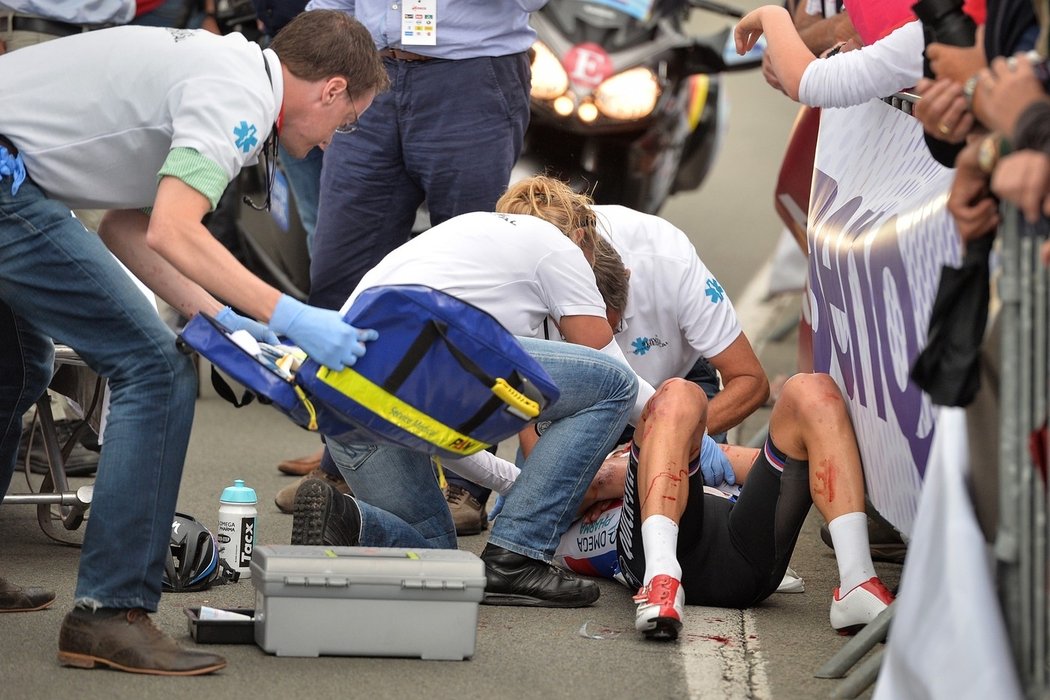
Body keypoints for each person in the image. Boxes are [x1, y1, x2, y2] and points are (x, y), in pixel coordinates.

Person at [0, 10, 386, 674]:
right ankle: (109, 613)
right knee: (155, 367)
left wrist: (224, 322)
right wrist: (292, 315)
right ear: (329, 89)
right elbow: (175, 233)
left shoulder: (222, 68)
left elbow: (130, 224)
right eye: (346, 122)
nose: (331, 143)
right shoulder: (238, 96)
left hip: (15, 175)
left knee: (19, 365)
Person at [292, 198, 646, 606]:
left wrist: (537, 488)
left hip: (343, 397)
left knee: (437, 562)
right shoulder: (559, 248)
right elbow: (619, 378)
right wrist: (695, 444)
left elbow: (446, 439)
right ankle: (517, 555)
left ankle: (349, 519)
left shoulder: (459, 250)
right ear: (580, 238)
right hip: (404, 364)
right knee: (614, 384)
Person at [273, 0, 544, 491]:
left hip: (470, 77)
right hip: (365, 67)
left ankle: (469, 481)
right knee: (342, 279)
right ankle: (349, 465)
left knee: (473, 289)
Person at [551, 372, 895, 640]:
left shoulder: (665, 429)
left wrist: (671, 449)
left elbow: (756, 462)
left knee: (812, 390)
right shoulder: (562, 427)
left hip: (744, 558)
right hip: (654, 553)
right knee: (678, 393)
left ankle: (857, 582)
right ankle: (661, 581)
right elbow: (569, 491)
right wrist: (630, 466)